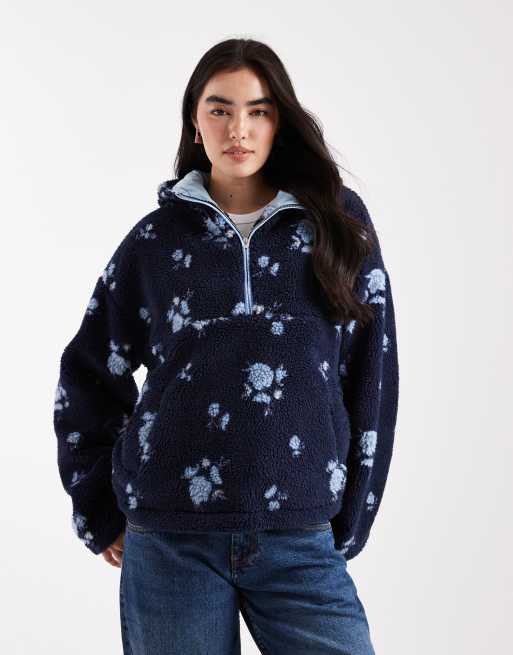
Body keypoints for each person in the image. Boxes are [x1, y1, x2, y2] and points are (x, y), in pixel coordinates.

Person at [53, 37, 399, 655]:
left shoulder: (337, 227)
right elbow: (87, 373)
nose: (238, 129)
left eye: (258, 110)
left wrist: (352, 515)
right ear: (195, 120)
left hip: (299, 535)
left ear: (279, 121)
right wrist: (99, 511)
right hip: (170, 540)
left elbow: (373, 375)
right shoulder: (155, 241)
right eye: (220, 109)